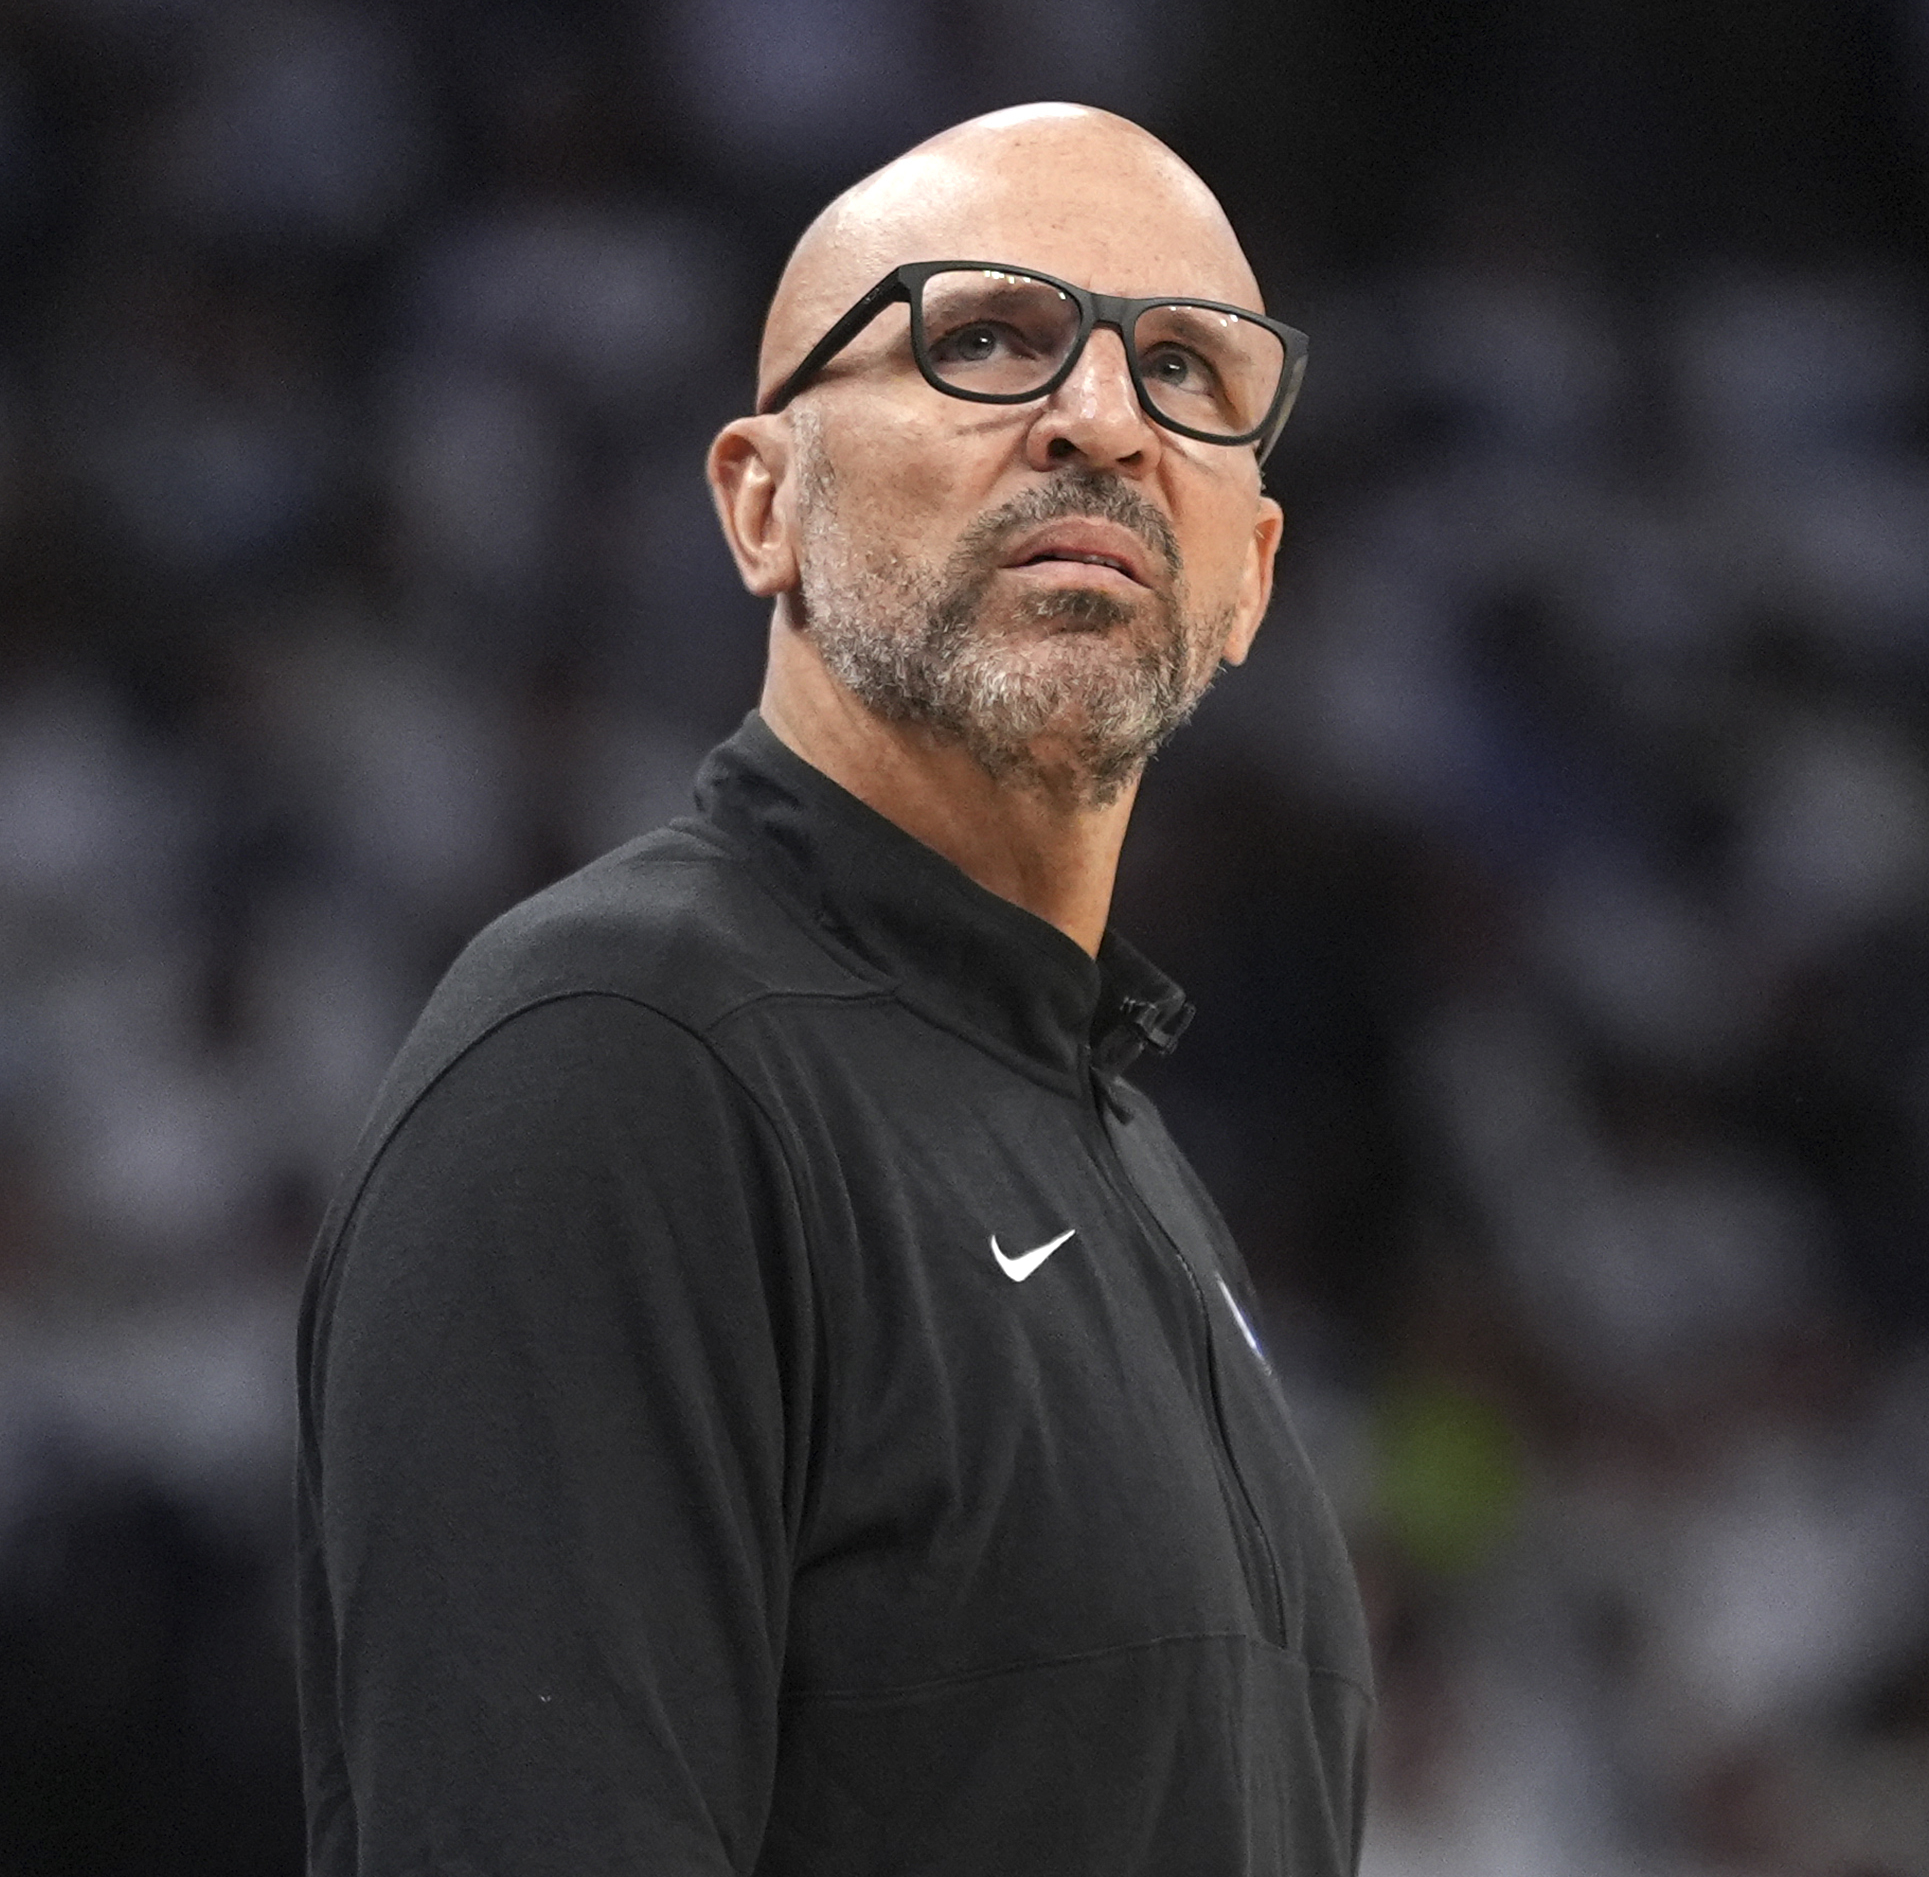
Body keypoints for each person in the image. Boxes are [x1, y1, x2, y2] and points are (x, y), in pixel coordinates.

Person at [294, 103, 1373, 1875]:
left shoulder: (1128, 1164)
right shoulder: (625, 1058)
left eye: (1185, 369)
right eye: (989, 338)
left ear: (1249, 573)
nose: (1101, 419)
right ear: (761, 501)